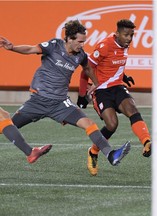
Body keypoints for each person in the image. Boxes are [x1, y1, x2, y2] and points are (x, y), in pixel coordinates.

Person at [0, 20, 131, 170]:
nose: (82, 45)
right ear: (69, 38)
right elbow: (30, 49)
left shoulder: (80, 55)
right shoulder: (53, 46)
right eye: (80, 41)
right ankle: (31, 153)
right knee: (8, 125)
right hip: (37, 101)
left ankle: (110, 154)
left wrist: (96, 83)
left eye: (84, 42)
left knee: (88, 123)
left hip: (60, 104)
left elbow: (88, 69)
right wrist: (12, 48)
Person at [77, 19, 152, 176]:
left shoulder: (124, 44)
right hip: (101, 90)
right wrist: (82, 94)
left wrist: (123, 76)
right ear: (117, 33)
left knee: (132, 109)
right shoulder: (104, 46)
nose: (129, 38)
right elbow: (86, 69)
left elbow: (112, 64)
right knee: (112, 125)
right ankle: (93, 151)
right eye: (126, 35)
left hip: (117, 86)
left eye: (132, 35)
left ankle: (146, 142)